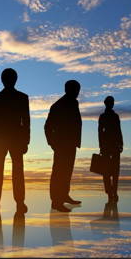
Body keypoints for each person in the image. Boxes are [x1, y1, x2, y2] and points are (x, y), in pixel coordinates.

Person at [0, 68, 30, 215]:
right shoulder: (21, 97)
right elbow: (26, 122)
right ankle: (15, 203)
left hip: (5, 140)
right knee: (14, 172)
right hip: (13, 140)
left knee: (0, 172)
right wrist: (26, 141)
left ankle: (0, 203)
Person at [45, 80, 82, 212]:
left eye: (78, 90)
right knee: (59, 172)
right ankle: (56, 201)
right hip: (61, 145)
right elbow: (48, 126)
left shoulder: (74, 103)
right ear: (68, 90)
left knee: (67, 171)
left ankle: (64, 195)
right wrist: (53, 143)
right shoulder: (58, 105)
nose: (78, 93)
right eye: (76, 90)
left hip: (71, 144)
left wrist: (76, 141)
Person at [98, 96, 123, 203]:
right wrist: (101, 146)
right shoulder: (103, 116)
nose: (111, 104)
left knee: (115, 171)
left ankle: (114, 191)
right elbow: (100, 132)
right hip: (107, 146)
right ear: (106, 103)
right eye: (109, 102)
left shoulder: (115, 116)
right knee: (107, 171)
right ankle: (109, 192)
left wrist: (121, 143)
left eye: (112, 102)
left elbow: (118, 130)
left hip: (114, 146)